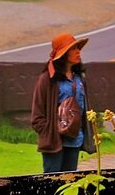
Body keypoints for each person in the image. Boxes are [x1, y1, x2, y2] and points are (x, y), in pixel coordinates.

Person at [31, 32, 96, 173]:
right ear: (64, 54)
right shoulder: (47, 79)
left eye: (78, 48)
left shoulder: (79, 78)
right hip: (54, 142)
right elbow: (37, 117)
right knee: (52, 184)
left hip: (75, 140)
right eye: (73, 49)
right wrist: (50, 133)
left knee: (69, 184)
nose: (78, 52)